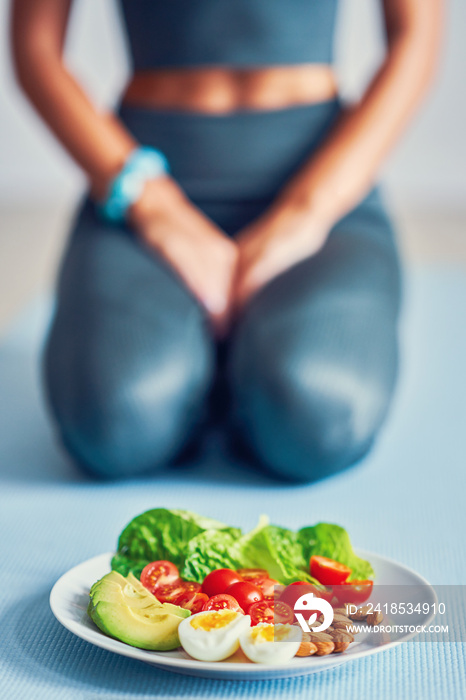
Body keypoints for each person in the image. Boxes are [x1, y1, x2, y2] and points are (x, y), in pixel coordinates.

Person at [11, 0, 442, 482]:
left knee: (316, 418)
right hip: (139, 182)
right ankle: (222, 364)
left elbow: (415, 40)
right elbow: (36, 47)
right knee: (110, 424)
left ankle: (234, 365)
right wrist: (156, 210)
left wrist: (306, 212)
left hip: (321, 177)